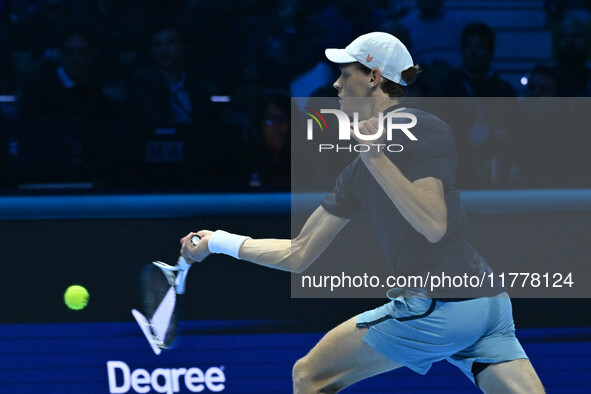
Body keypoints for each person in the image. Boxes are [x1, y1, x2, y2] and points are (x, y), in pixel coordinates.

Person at [179, 33, 545, 393]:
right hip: (484, 303)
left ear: (373, 77)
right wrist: (218, 242)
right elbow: (299, 253)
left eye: (345, 73)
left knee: (309, 375)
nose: (336, 83)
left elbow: (433, 224)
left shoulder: (423, 129)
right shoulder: (357, 172)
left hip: (442, 304)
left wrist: (375, 156)